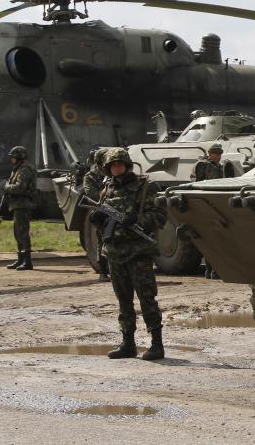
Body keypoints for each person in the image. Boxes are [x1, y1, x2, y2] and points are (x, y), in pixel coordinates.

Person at [88, 148, 167, 361]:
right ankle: (128, 344)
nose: (117, 168)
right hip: (114, 252)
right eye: (113, 165)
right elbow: (102, 216)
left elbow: (160, 215)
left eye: (120, 164)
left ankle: (156, 344)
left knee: (147, 299)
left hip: (138, 252)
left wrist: (138, 221)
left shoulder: (145, 186)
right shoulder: (107, 188)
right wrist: (98, 218)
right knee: (124, 301)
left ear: (127, 165)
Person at [193, 143, 225, 279]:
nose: (218, 156)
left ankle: (214, 270)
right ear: (210, 153)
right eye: (216, 153)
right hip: (205, 204)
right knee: (209, 239)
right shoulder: (202, 165)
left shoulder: (218, 166)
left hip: (216, 204)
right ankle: (210, 269)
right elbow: (197, 183)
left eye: (220, 154)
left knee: (217, 239)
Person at [3, 146, 37, 271]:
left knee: (22, 233)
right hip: (17, 204)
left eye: (13, 157)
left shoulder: (25, 169)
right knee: (18, 233)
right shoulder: (18, 169)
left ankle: (27, 262)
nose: (11, 159)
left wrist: (7, 187)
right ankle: (21, 259)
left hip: (23, 204)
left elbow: (20, 188)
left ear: (18, 157)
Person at [83, 147, 111, 282]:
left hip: (115, 210)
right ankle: (103, 271)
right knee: (102, 241)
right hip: (100, 212)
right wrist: (108, 195)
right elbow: (92, 195)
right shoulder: (90, 176)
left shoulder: (111, 173)